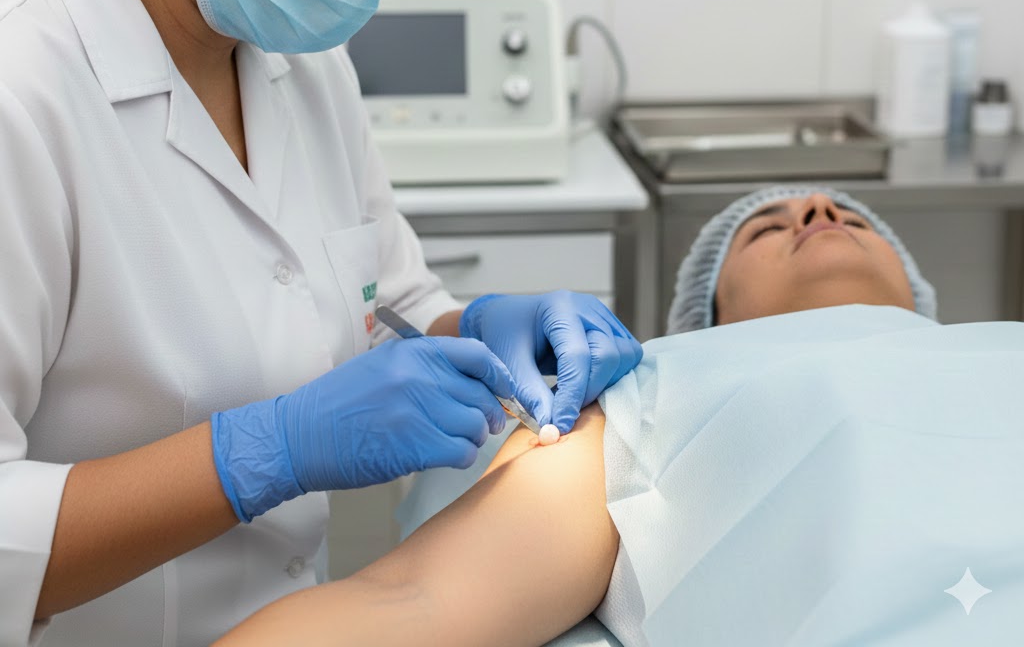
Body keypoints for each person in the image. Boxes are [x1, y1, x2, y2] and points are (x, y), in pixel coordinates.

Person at [0, 0, 642, 645]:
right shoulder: (21, 97)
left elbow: (385, 299)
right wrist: (262, 452)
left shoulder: (300, 67)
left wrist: (476, 330)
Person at [214, 187, 1024, 647]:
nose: (817, 208)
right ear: (707, 316)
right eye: (768, 228)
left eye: (851, 218)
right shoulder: (656, 389)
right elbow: (411, 606)